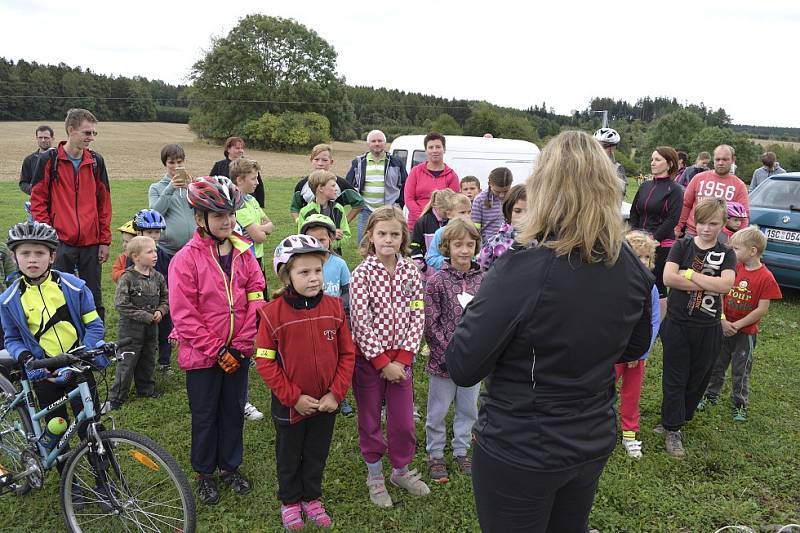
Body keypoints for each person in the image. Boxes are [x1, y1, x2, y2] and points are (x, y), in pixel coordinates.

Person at [444, 131, 654, 532]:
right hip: (589, 438)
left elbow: (463, 364)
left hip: (521, 447)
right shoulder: (629, 264)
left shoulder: (524, 268)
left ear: (544, 189)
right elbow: (635, 344)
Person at [168, 176, 265, 505]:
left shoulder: (244, 252)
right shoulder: (185, 260)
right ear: (200, 219)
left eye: (231, 214)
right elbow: (184, 315)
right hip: (203, 357)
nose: (227, 221)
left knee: (233, 411)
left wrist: (241, 345)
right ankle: (204, 472)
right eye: (219, 216)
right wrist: (217, 350)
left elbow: (256, 297)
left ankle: (230, 467)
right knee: (206, 415)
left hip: (238, 351)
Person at [255, 235, 355, 530]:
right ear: (286, 275)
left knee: (316, 452)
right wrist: (293, 397)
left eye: (318, 271)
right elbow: (264, 361)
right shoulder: (271, 314)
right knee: (289, 455)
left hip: (326, 403)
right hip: (291, 406)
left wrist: (336, 394)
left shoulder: (335, 308)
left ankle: (311, 498)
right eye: (304, 272)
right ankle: (289, 501)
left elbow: (347, 354)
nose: (313, 278)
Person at [0, 222, 107, 483]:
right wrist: (26, 357)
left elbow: (94, 325)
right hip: (44, 373)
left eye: (39, 253)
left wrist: (86, 351)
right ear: (14, 257)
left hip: (77, 367)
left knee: (91, 428)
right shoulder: (9, 299)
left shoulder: (75, 286)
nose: (32, 259)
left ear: (53, 256)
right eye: (25, 254)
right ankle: (72, 485)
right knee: (56, 429)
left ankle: (103, 481)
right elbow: (12, 338)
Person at [350, 206, 430, 508]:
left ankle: (400, 469)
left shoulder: (411, 271)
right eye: (382, 234)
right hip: (370, 362)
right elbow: (360, 320)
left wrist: (403, 359)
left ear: (403, 238)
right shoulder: (362, 274)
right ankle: (375, 475)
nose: (388, 239)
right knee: (370, 419)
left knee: (403, 422)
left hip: (402, 363)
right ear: (370, 236)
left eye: (394, 234)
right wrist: (382, 362)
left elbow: (417, 313)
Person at [658, 198, 736, 458]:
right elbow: (669, 277)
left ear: (723, 224)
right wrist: (708, 282)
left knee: (699, 378)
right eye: (701, 222)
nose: (705, 228)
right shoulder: (682, 245)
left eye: (713, 223)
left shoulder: (727, 253)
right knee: (675, 376)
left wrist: (689, 275)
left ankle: (680, 417)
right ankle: (672, 428)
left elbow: (726, 286)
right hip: (679, 323)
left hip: (709, 326)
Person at [30, 108, 112, 322]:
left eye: (94, 133)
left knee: (93, 296)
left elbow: (104, 203)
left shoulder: (96, 161)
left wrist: (104, 240)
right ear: (71, 130)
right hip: (60, 242)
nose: (91, 138)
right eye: (87, 133)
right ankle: (62, 344)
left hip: (91, 241)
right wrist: (49, 236)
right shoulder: (50, 159)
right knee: (57, 294)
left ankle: (96, 346)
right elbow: (38, 200)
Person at [700, 226, 782, 421]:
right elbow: (720, 293)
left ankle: (739, 404)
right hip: (723, 327)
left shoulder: (766, 278)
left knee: (741, 370)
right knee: (717, 364)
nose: (732, 251)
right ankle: (711, 395)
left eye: (736, 248)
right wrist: (723, 321)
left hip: (745, 334)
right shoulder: (733, 269)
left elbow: (761, 309)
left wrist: (737, 325)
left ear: (753, 251)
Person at [423, 218, 483, 484]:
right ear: (446, 247)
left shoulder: (484, 280)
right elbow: (430, 321)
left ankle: (461, 450)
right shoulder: (437, 281)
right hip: (443, 363)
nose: (464, 250)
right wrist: (447, 354)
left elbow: (488, 319)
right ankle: (435, 453)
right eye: (458, 244)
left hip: (473, 362)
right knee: (437, 411)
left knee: (469, 409)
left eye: (470, 244)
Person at [299, 214, 357, 418]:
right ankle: (311, 393)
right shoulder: (301, 265)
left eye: (322, 239)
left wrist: (347, 321)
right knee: (313, 360)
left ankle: (339, 395)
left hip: (335, 323)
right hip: (309, 322)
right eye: (312, 240)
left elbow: (347, 294)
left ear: (331, 239)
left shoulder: (339, 264)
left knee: (336, 361)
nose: (317, 244)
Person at [615, 231, 661, 459]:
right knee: (599, 391)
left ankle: (629, 434)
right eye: (636, 257)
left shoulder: (651, 288)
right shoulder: (614, 286)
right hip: (613, 353)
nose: (642, 262)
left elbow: (653, 322)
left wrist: (642, 351)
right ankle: (594, 425)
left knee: (631, 395)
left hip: (636, 356)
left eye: (646, 257)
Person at [109, 236, 168, 410]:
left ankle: (146, 389)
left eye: (155, 250)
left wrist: (161, 311)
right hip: (130, 330)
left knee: (148, 358)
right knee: (127, 362)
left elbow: (166, 297)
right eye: (150, 252)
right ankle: (117, 397)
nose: (155, 254)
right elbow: (121, 304)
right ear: (135, 257)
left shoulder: (158, 277)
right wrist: (144, 315)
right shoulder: (127, 278)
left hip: (152, 328)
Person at [628, 146, 684, 317]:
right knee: (634, 280)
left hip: (660, 243)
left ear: (669, 164)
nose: (653, 163)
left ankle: (657, 323)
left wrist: (653, 238)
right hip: (638, 242)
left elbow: (672, 219)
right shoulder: (644, 186)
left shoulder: (675, 190)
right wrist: (634, 236)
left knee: (657, 283)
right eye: (652, 159)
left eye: (658, 160)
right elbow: (634, 212)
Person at [345, 130, 408, 242]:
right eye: (373, 141)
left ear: (385, 143)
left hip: (389, 210)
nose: (377, 143)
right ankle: (368, 260)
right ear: (368, 144)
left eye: (380, 141)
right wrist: (356, 202)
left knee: (388, 242)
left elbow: (405, 185)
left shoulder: (396, 162)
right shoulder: (359, 162)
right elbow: (348, 184)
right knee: (364, 243)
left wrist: (399, 204)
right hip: (366, 210)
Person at [675, 145, 749, 238]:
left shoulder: (739, 185)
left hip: (721, 237)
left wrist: (739, 238)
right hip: (693, 233)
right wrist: (678, 227)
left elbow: (744, 215)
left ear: (733, 159)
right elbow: (686, 204)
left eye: (725, 159)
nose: (721, 163)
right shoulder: (698, 178)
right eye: (717, 159)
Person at [292, 144, 365, 224]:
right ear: (311, 160)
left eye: (325, 160)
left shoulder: (340, 184)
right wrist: (299, 221)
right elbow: (295, 208)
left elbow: (359, 202)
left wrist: (344, 223)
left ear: (331, 162)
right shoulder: (302, 185)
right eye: (316, 159)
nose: (320, 163)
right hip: (309, 230)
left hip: (333, 233)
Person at [404, 132, 460, 230]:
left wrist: (436, 219)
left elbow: (453, 203)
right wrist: (423, 218)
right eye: (431, 147)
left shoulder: (452, 176)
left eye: (438, 147)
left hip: (442, 228)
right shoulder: (416, 172)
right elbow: (409, 199)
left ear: (444, 149)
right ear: (426, 150)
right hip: (416, 226)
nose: (435, 150)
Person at [148, 144, 196, 257]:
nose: (176, 166)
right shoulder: (156, 188)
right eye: (171, 162)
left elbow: (204, 211)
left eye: (179, 162)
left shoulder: (193, 185)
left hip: (193, 250)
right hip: (168, 251)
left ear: (184, 162)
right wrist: (170, 189)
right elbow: (154, 214)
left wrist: (192, 190)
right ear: (165, 164)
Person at [230, 157, 274, 273]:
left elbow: (270, 226)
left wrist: (258, 228)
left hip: (259, 257)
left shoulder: (252, 200)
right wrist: (261, 229)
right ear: (239, 180)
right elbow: (259, 237)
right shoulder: (238, 204)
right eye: (254, 179)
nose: (257, 182)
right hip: (246, 259)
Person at [297, 170, 351, 253]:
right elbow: (302, 239)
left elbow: (347, 236)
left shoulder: (338, 209)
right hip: (313, 257)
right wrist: (331, 234)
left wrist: (331, 244)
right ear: (321, 188)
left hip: (334, 256)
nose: (336, 189)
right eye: (333, 185)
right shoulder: (305, 212)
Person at [476, 184, 527, 271]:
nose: (524, 216)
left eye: (530, 211)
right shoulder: (493, 243)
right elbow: (479, 272)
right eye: (517, 211)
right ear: (508, 211)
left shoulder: (541, 242)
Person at [410, 188, 456, 278]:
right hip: (428, 275)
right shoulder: (422, 222)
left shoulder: (452, 222)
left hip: (449, 274)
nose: (448, 213)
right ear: (436, 206)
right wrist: (423, 267)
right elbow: (414, 247)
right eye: (445, 211)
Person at [209, 136, 265, 207]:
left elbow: (259, 186)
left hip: (247, 203)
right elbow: (211, 184)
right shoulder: (219, 165)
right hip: (225, 203)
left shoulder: (249, 165)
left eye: (242, 148)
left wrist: (260, 205)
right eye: (237, 148)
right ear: (228, 149)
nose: (241, 150)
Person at [425, 193, 473, 272]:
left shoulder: (472, 231)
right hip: (445, 280)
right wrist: (451, 262)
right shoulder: (440, 233)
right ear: (449, 214)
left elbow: (476, 255)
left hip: (467, 278)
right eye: (462, 212)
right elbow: (431, 258)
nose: (467, 216)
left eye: (469, 212)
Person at [471, 167, 513, 243]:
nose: (502, 195)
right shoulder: (480, 200)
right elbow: (475, 227)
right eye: (497, 191)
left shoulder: (513, 198)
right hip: (487, 245)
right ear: (490, 184)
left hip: (509, 244)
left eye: (506, 191)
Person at [592, 127, 627, 197]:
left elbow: (620, 195)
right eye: (597, 145)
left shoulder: (617, 168)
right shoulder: (587, 165)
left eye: (604, 146)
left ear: (612, 148)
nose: (600, 149)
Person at [19, 125, 54, 195]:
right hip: (37, 201)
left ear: (52, 138)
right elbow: (23, 183)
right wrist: (34, 191)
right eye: (40, 137)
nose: (43, 140)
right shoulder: (29, 160)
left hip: (58, 200)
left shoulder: (60, 157)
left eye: (46, 138)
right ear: (36, 138)